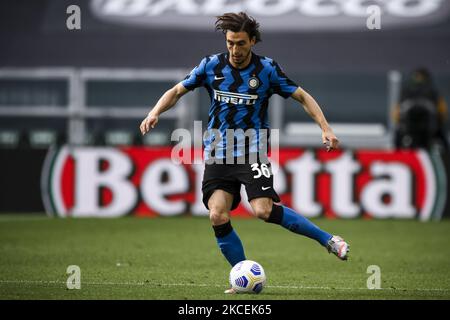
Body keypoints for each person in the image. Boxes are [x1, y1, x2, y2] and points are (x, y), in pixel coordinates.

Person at [140, 12, 349, 293]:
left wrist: (325, 128)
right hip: (217, 151)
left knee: (262, 210)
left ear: (252, 41)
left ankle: (328, 240)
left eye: (241, 43)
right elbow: (177, 91)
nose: (235, 50)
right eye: (230, 43)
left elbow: (302, 96)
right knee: (217, 215)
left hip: (253, 150)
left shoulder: (267, 70)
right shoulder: (211, 65)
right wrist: (154, 112)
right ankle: (242, 279)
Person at [392, 68, 449, 151]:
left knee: (398, 141)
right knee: (442, 141)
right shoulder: (433, 91)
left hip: (408, 129)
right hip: (429, 130)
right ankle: (445, 159)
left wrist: (399, 124)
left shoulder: (406, 91)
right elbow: (443, 112)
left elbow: (396, 113)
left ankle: (397, 157)